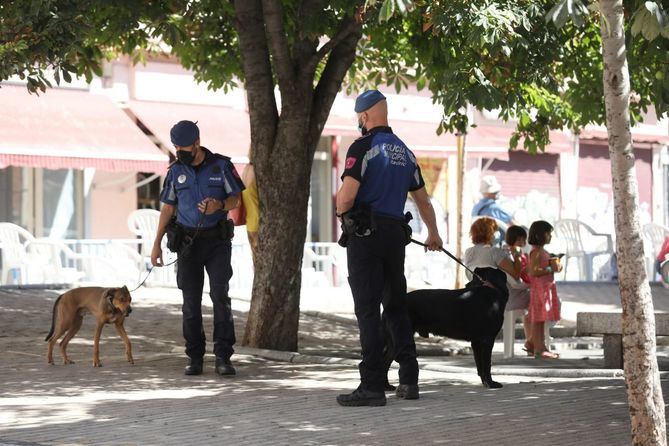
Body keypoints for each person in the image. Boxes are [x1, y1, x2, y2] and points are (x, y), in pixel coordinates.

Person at [335, 90, 443, 407]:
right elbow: (423, 200)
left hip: (366, 236)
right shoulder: (406, 153)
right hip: (395, 236)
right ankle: (409, 379)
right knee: (395, 307)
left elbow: (346, 196)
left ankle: (371, 385)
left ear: (365, 116)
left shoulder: (363, 147)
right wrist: (434, 233)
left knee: (368, 310)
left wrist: (343, 216)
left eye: (359, 118)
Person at [150, 120, 245, 376]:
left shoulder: (221, 165)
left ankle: (224, 357)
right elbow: (168, 207)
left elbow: (236, 198)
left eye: (184, 147)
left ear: (197, 143)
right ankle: (195, 357)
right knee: (190, 303)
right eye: (176, 146)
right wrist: (156, 243)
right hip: (187, 244)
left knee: (220, 297)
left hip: (217, 242)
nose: (180, 151)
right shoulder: (175, 171)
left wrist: (219, 205)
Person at [526, 220, 562, 359]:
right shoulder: (536, 252)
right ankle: (540, 349)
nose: (550, 236)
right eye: (548, 234)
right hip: (540, 289)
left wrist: (555, 266)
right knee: (538, 319)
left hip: (545, 288)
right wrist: (549, 268)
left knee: (541, 319)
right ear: (540, 235)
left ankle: (534, 344)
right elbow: (534, 271)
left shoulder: (541, 251)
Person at [464, 217, 521, 283]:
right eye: (495, 230)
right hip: (500, 292)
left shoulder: (468, 252)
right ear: (490, 232)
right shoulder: (494, 252)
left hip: (478, 291)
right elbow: (516, 275)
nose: (498, 233)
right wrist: (517, 255)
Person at [503, 225, 532, 354]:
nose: (523, 243)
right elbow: (516, 277)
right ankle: (534, 341)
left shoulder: (520, 254)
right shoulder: (510, 254)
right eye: (521, 240)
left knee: (531, 311)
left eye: (524, 240)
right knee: (538, 303)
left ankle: (532, 340)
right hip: (515, 295)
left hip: (519, 292)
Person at [471, 176, 518, 244]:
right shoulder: (495, 209)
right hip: (497, 247)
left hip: (479, 246)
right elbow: (515, 226)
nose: (497, 193)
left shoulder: (476, 208)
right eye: (495, 191)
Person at [241, 162, 260, 266]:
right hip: (258, 220)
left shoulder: (245, 170)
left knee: (256, 261)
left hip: (250, 222)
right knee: (262, 261)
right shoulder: (258, 172)